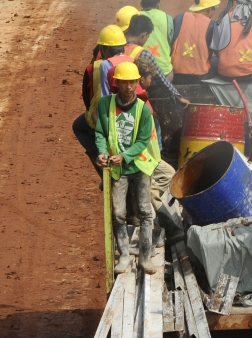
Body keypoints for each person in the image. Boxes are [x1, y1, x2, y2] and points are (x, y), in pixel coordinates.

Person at [95, 62, 161, 275]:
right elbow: (101, 134)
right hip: (118, 170)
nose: (129, 86)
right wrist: (102, 151)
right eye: (124, 82)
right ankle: (123, 255)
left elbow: (143, 141)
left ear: (138, 82)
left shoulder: (143, 109)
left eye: (132, 82)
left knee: (145, 212)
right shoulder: (106, 105)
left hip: (139, 165)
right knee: (118, 214)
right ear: (118, 83)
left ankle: (145, 257)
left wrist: (124, 156)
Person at [134, 58, 184, 245]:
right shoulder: (137, 100)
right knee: (151, 192)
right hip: (142, 157)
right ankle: (171, 229)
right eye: (150, 78)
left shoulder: (142, 97)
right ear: (142, 78)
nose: (152, 82)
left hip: (152, 157)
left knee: (170, 176)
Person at [100, 15, 190, 108]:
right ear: (143, 35)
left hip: (112, 101)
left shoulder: (115, 47)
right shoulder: (144, 54)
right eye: (148, 37)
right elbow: (161, 79)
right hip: (133, 101)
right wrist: (178, 97)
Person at [73, 25, 126, 180]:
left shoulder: (95, 67)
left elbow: (88, 100)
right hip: (132, 115)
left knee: (78, 126)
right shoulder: (132, 62)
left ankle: (101, 165)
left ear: (104, 49)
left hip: (104, 116)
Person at [171, 0, 220, 84]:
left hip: (177, 74)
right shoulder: (212, 25)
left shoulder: (179, 18)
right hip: (200, 76)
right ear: (210, 9)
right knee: (217, 61)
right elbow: (218, 52)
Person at [140, 0, 174, 79]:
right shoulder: (167, 18)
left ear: (141, 4)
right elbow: (171, 41)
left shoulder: (136, 17)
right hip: (164, 72)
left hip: (140, 70)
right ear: (158, 4)